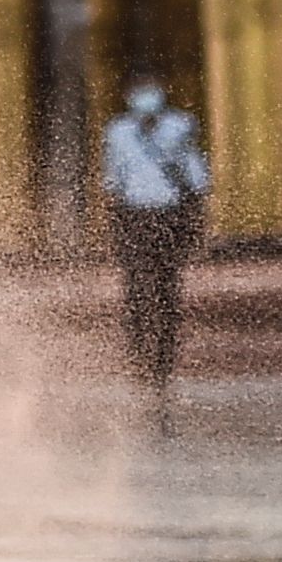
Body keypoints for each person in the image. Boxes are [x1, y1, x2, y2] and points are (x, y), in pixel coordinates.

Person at [99, 72, 210, 425]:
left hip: (168, 213)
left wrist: (195, 216)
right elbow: (113, 178)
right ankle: (137, 354)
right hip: (134, 215)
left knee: (166, 286)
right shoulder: (117, 131)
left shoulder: (181, 124)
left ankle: (163, 356)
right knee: (134, 287)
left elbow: (195, 173)